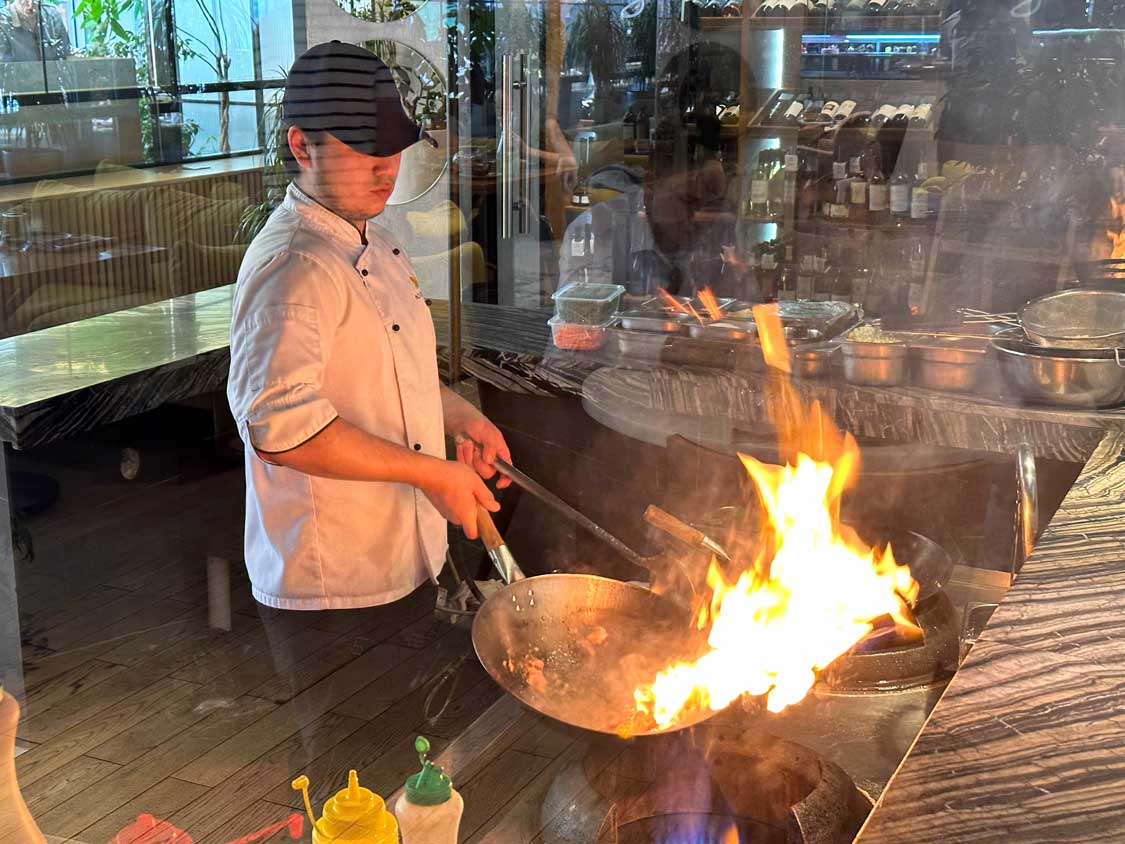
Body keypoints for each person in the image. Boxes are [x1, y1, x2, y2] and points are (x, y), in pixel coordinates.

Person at [227, 42, 512, 612]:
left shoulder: (374, 239)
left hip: (403, 555)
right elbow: (282, 429)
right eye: (362, 148)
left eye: (392, 147)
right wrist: (433, 476)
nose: (386, 167)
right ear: (301, 145)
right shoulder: (293, 266)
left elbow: (389, 377)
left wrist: (461, 416)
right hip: (333, 579)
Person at [0, 0, 70, 63]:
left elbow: (65, 54)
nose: (30, 4)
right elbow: (5, 66)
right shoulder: (2, 21)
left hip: (51, 75)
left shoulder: (52, 15)